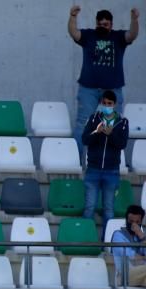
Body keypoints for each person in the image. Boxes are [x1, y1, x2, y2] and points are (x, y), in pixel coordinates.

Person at [69, 6, 139, 162]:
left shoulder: (118, 37)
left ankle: (111, 161)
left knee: (113, 124)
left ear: (111, 25)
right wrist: (73, 17)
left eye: (105, 24)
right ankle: (76, 161)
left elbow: (132, 34)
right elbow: (74, 33)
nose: (102, 27)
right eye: (100, 24)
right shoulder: (89, 36)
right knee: (83, 124)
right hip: (88, 89)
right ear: (96, 23)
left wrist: (134, 20)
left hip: (112, 90)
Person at [82, 90, 130, 233]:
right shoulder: (93, 119)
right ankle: (86, 238)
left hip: (112, 171)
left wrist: (111, 134)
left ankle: (107, 241)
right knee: (89, 206)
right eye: (104, 103)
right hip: (93, 170)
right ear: (100, 103)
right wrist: (97, 132)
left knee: (108, 208)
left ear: (114, 104)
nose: (107, 105)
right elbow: (85, 139)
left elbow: (122, 144)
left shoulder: (122, 122)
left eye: (109, 103)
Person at [110, 205, 146, 287]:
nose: (134, 225)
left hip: (141, 274)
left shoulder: (141, 237)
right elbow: (131, 256)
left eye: (137, 222)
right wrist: (143, 258)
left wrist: (141, 236)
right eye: (131, 221)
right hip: (124, 274)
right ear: (126, 220)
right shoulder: (118, 235)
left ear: (141, 222)